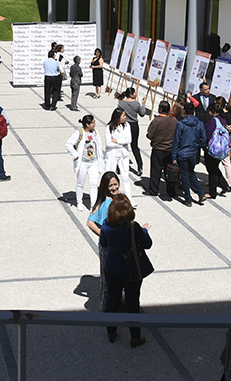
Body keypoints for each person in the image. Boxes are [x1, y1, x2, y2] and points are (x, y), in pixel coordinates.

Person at [100, 193, 152, 348]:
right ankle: (135, 336)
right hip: (131, 270)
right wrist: (144, 231)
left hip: (112, 268)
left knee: (112, 301)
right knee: (132, 302)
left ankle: (111, 332)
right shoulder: (132, 227)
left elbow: (103, 243)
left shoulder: (106, 225)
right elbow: (147, 244)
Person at [87, 172, 121, 311]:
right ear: (105, 187)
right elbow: (90, 222)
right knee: (108, 279)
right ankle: (106, 306)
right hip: (108, 248)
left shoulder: (119, 198)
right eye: (110, 185)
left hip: (120, 245)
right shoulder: (104, 203)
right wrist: (104, 234)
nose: (114, 187)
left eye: (115, 184)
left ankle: (121, 302)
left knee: (121, 277)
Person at [65, 115, 105, 211]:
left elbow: (99, 145)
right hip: (82, 163)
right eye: (93, 122)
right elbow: (68, 144)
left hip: (93, 162)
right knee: (80, 183)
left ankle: (93, 205)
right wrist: (76, 155)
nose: (95, 124)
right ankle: (79, 202)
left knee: (94, 184)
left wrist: (100, 158)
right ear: (87, 124)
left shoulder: (95, 132)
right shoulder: (79, 133)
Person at [172, 103, 207, 206]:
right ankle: (200, 193)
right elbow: (204, 139)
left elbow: (176, 141)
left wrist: (174, 156)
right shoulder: (199, 123)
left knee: (185, 175)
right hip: (193, 152)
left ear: (184, 111)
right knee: (191, 173)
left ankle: (188, 198)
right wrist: (196, 146)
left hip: (182, 153)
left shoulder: (181, 124)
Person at [145, 100, 178, 199]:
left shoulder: (156, 121)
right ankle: (171, 191)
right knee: (169, 171)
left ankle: (154, 190)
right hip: (170, 150)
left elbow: (150, 135)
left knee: (156, 171)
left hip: (158, 149)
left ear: (160, 109)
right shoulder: (174, 121)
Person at [104, 108, 133, 205]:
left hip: (123, 154)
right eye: (123, 116)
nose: (125, 118)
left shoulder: (126, 125)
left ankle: (129, 199)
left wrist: (117, 141)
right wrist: (122, 142)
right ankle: (107, 199)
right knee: (110, 176)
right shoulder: (109, 127)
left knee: (125, 176)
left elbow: (129, 140)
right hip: (112, 154)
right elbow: (108, 143)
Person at [117, 87, 148, 174]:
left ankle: (119, 166)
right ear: (131, 94)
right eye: (135, 93)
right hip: (134, 126)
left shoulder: (121, 103)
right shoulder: (136, 104)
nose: (136, 94)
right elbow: (142, 114)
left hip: (124, 125)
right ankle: (140, 167)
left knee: (122, 145)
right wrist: (143, 104)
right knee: (134, 146)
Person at [203, 102, 231, 199]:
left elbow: (207, 135)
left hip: (212, 149)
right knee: (215, 168)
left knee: (212, 171)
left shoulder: (213, 122)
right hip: (221, 149)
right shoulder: (223, 119)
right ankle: (225, 185)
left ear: (213, 111)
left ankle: (212, 192)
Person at [216, 96, 231, 192]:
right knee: (220, 162)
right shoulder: (226, 114)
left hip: (222, 141)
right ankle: (222, 181)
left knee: (226, 162)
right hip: (224, 140)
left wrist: (229, 128)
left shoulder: (225, 115)